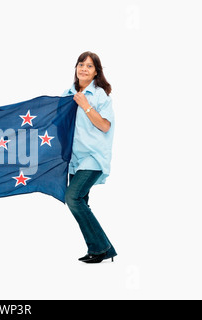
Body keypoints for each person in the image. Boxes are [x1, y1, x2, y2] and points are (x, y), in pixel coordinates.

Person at [62, 51, 117, 264]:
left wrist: (85, 104)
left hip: (93, 157)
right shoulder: (67, 94)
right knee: (80, 201)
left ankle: (102, 247)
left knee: (72, 197)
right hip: (74, 159)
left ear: (96, 72)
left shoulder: (101, 96)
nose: (84, 68)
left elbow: (104, 125)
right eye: (81, 64)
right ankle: (100, 248)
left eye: (89, 66)